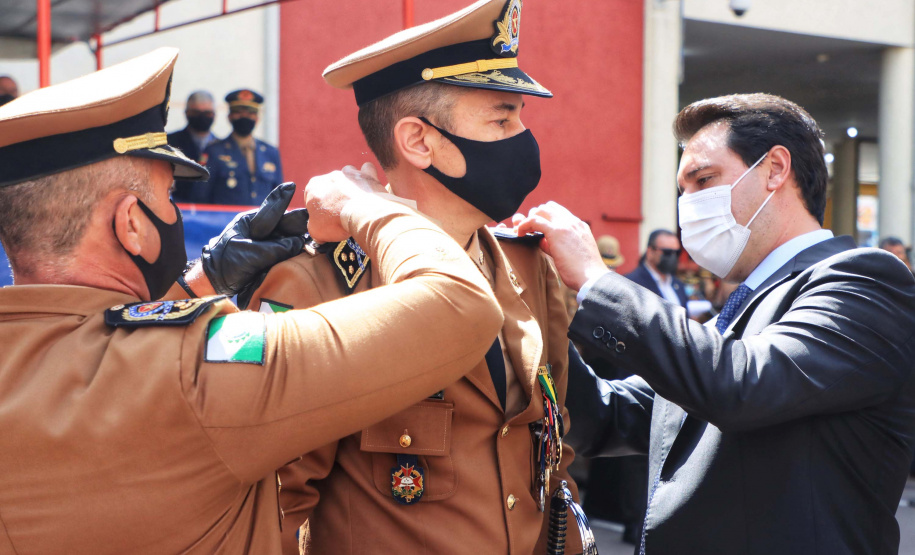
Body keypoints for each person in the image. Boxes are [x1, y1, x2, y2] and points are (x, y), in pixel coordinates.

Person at [0, 47, 503, 553]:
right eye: (168, 198)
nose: (173, 215)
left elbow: (103, 352)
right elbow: (459, 305)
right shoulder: (196, 372)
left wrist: (201, 280)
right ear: (132, 224)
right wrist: (364, 205)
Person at [245, 1, 582, 553]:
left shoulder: (528, 266)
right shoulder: (317, 286)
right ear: (419, 142)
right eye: (502, 118)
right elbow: (279, 502)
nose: (523, 137)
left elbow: (551, 457)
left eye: (521, 117)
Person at [518, 93, 915, 554]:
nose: (689, 205)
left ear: (775, 170)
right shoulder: (744, 304)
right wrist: (534, 304)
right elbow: (604, 416)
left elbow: (740, 383)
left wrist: (596, 280)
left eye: (704, 179)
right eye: (682, 191)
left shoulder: (863, 279)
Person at [198, 89, 284, 205]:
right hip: (226, 221)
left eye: (250, 113)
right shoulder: (214, 151)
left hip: (263, 222)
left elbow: (279, 197)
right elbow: (201, 196)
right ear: (229, 116)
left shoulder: (270, 152)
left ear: (257, 118)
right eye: (238, 112)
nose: (244, 116)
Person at [168, 90, 218, 202]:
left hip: (215, 213)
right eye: (196, 113)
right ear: (186, 113)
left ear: (214, 115)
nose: (202, 117)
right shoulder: (169, 143)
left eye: (207, 113)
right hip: (179, 208)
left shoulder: (222, 147)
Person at [625, 229, 688, 308]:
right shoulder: (632, 284)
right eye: (667, 252)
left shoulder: (678, 284)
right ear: (650, 252)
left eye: (677, 252)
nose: (673, 256)